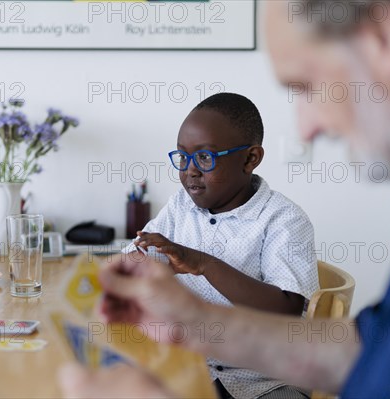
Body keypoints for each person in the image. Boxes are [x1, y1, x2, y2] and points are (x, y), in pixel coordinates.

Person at [59, 0, 390, 397]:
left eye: (305, 86)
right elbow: (375, 347)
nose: (306, 129)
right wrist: (195, 324)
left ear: (384, 40)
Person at [127, 92, 318, 399]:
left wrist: (203, 264)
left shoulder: (284, 220)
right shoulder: (181, 206)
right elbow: (144, 254)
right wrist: (129, 266)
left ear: (250, 158)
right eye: (183, 156)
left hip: (267, 381)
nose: (190, 169)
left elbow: (287, 309)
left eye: (205, 157)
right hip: (192, 369)